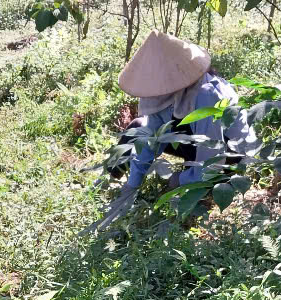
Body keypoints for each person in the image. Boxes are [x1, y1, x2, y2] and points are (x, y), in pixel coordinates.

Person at [94, 30, 258, 228]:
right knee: (136, 128)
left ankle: (198, 201)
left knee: (190, 190)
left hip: (229, 152)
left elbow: (212, 155)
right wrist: (132, 186)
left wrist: (182, 179)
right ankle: (108, 180)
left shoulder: (207, 95)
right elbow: (150, 139)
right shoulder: (156, 93)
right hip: (193, 140)